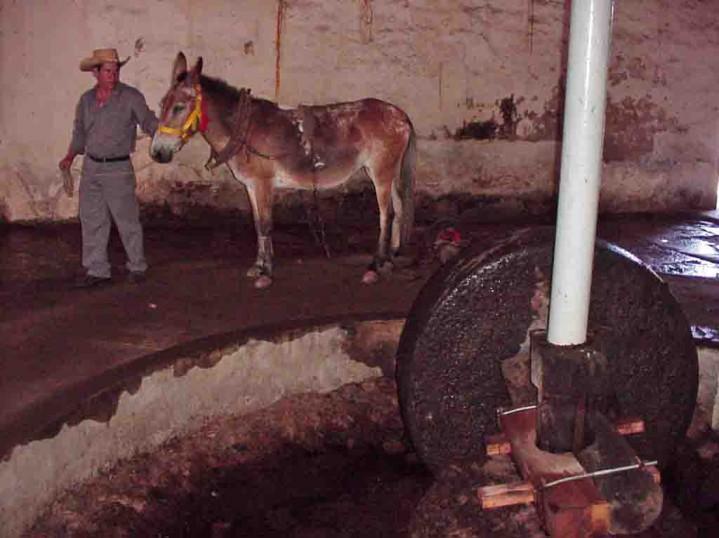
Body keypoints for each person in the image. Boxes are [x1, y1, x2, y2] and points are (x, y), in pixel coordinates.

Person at [59, 48, 159, 287]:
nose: (113, 76)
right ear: (95, 72)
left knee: (127, 220)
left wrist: (164, 131)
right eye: (107, 71)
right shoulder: (86, 100)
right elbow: (79, 132)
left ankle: (137, 266)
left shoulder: (131, 97)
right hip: (91, 167)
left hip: (118, 169)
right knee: (92, 219)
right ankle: (97, 269)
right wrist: (70, 157)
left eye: (115, 71)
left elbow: (147, 120)